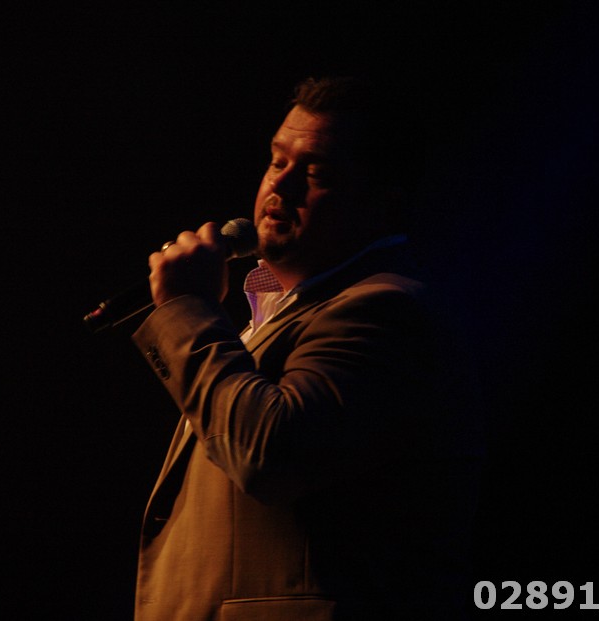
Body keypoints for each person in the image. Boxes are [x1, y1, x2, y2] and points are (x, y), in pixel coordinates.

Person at [130, 76, 482, 620]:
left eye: (316, 173)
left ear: (384, 203)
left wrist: (186, 309)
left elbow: (271, 453)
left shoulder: (387, 309)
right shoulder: (272, 313)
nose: (282, 186)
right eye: (277, 161)